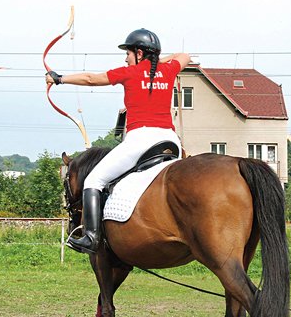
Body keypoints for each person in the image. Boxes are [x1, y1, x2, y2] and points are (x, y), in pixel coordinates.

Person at [46, 28, 191, 254]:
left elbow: (91, 79)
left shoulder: (129, 73)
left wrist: (59, 78)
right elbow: (184, 56)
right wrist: (156, 62)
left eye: (129, 53)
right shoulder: (169, 69)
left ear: (139, 53)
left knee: (93, 180)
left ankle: (91, 237)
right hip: (170, 141)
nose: (125, 58)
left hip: (141, 139)